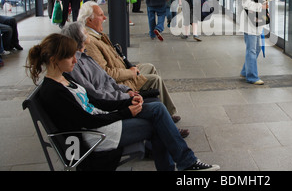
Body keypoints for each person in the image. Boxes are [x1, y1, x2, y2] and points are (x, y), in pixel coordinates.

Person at [24, 33, 220, 171]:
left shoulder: (64, 79)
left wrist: (127, 101)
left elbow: (95, 100)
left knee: (157, 109)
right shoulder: (54, 91)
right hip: (98, 135)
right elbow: (87, 120)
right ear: (53, 59)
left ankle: (186, 162)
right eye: (70, 56)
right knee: (157, 123)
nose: (75, 61)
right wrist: (127, 112)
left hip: (103, 121)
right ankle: (186, 162)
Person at [61, 21, 190, 138]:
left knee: (151, 76)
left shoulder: (87, 54)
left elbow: (106, 79)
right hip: (114, 97)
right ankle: (169, 128)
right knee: (155, 94)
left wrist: (126, 90)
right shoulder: (79, 62)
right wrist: (125, 95)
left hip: (117, 88)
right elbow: (99, 91)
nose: (104, 18)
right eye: (100, 15)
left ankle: (168, 121)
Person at [77, 1, 180, 121]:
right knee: (156, 80)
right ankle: (166, 116)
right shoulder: (90, 42)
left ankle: (162, 109)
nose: (104, 18)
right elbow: (105, 73)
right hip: (120, 80)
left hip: (122, 69)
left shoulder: (96, 34)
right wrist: (130, 73)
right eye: (100, 15)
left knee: (149, 67)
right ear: (89, 20)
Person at [238, 0, 268, 85]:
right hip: (250, 20)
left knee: (256, 48)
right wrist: (260, 7)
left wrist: (263, 5)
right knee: (252, 49)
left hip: (255, 19)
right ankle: (252, 76)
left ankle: (245, 71)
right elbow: (246, 2)